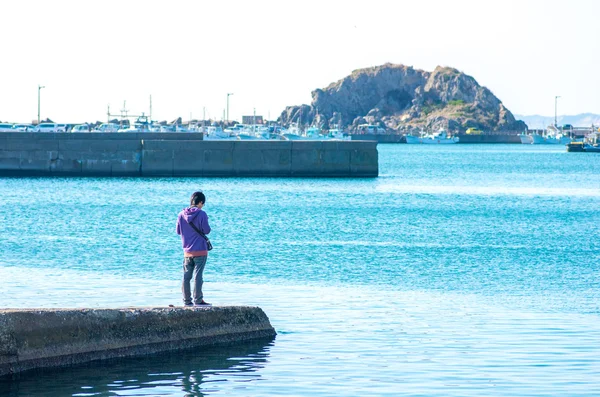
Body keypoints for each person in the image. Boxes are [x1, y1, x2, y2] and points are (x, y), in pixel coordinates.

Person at [176, 191, 212, 306]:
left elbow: (178, 231)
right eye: (203, 203)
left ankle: (187, 301)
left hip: (187, 251)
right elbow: (207, 230)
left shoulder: (181, 214)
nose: (202, 206)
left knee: (186, 276)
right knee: (198, 276)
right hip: (200, 249)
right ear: (200, 202)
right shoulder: (202, 214)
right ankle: (198, 300)